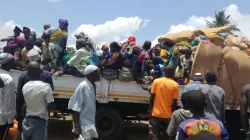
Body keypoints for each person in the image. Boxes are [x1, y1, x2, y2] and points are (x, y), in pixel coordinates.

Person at [16, 59, 54, 140]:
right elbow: (51, 106)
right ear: (40, 71)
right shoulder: (46, 87)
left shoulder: (25, 86)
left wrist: (17, 112)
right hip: (40, 121)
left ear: (28, 73)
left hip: (27, 120)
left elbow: (21, 98)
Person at [68, 65, 100, 140]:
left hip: (90, 122)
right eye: (97, 73)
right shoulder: (83, 86)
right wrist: (76, 126)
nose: (99, 75)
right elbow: (75, 108)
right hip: (83, 123)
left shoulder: (92, 86)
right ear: (91, 74)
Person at [150, 66, 179, 140]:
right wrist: (172, 113)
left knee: (155, 136)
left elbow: (152, 98)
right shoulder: (175, 84)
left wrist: (150, 110)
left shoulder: (156, 81)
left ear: (164, 72)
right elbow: (174, 102)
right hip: (168, 115)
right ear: (173, 74)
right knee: (167, 136)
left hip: (156, 113)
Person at [0, 74, 15, 140]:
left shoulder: (7, 80)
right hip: (2, 120)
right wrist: (10, 120)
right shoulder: (9, 81)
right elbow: (7, 102)